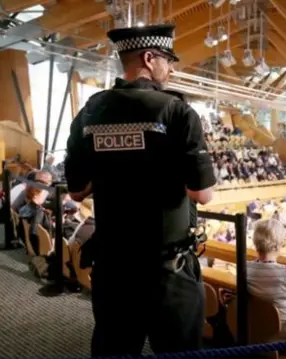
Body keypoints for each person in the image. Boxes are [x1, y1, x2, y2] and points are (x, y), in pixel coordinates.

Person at [64, 24, 216, 357]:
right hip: (167, 273)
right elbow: (202, 193)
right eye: (168, 60)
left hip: (114, 267)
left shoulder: (90, 111)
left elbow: (76, 191)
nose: (172, 68)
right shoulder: (177, 111)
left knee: (115, 350)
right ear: (149, 58)